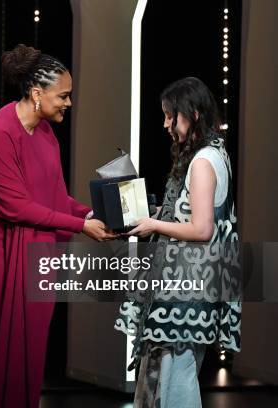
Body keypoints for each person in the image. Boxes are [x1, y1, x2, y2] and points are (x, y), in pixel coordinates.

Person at [0, 44, 115, 407]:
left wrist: (89, 215)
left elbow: (52, 197)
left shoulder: (46, 132)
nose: (68, 103)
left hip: (11, 243)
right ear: (37, 94)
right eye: (63, 95)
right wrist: (81, 228)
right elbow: (16, 206)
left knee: (22, 346)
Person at [115, 77, 241, 407]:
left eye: (172, 115)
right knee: (173, 374)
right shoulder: (216, 153)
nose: (167, 124)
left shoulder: (202, 162)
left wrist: (153, 223)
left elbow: (201, 229)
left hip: (187, 286)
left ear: (194, 113)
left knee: (174, 378)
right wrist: (160, 211)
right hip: (195, 282)